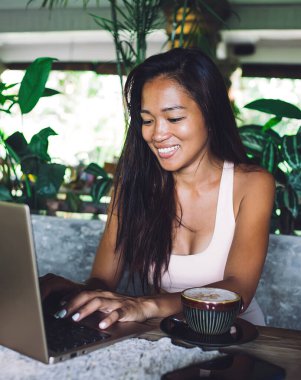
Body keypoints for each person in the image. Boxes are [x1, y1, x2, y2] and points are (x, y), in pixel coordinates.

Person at [42, 47, 275, 330]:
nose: (157, 134)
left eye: (174, 118)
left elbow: (238, 289)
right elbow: (101, 281)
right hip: (169, 335)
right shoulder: (131, 189)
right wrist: (76, 292)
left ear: (210, 114)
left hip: (240, 341)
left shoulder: (252, 184)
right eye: (147, 120)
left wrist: (146, 305)